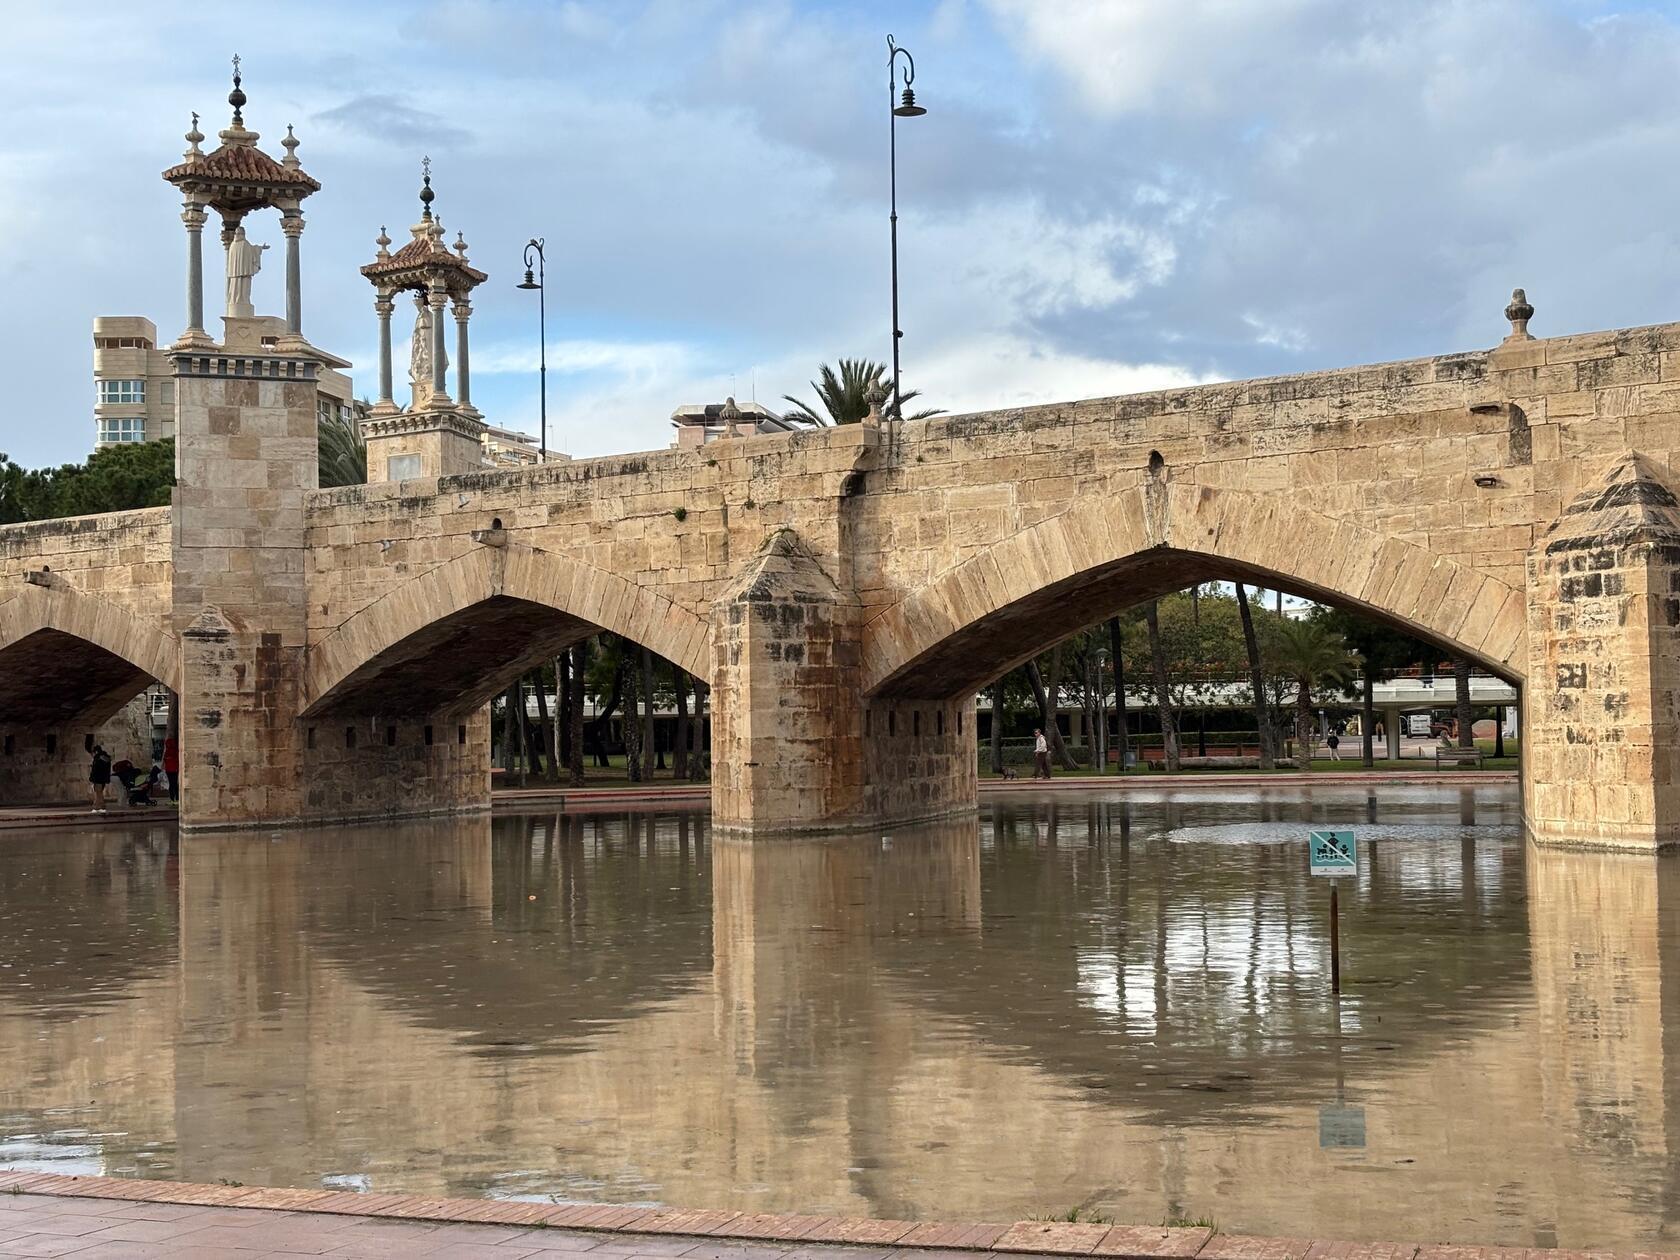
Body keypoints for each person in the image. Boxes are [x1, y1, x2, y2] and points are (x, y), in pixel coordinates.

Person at [88, 744, 112, 813]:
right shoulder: (106, 758)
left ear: (96, 751)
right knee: (100, 792)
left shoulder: (98, 758)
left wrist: (92, 778)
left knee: (98, 792)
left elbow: (95, 770)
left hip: (98, 778)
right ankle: (101, 806)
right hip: (104, 778)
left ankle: (97, 807)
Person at [162, 735, 180, 803]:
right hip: (174, 769)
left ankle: (172, 798)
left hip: (169, 770)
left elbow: (165, 760)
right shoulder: (175, 750)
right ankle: (177, 798)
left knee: (171, 784)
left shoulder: (167, 751)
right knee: (175, 784)